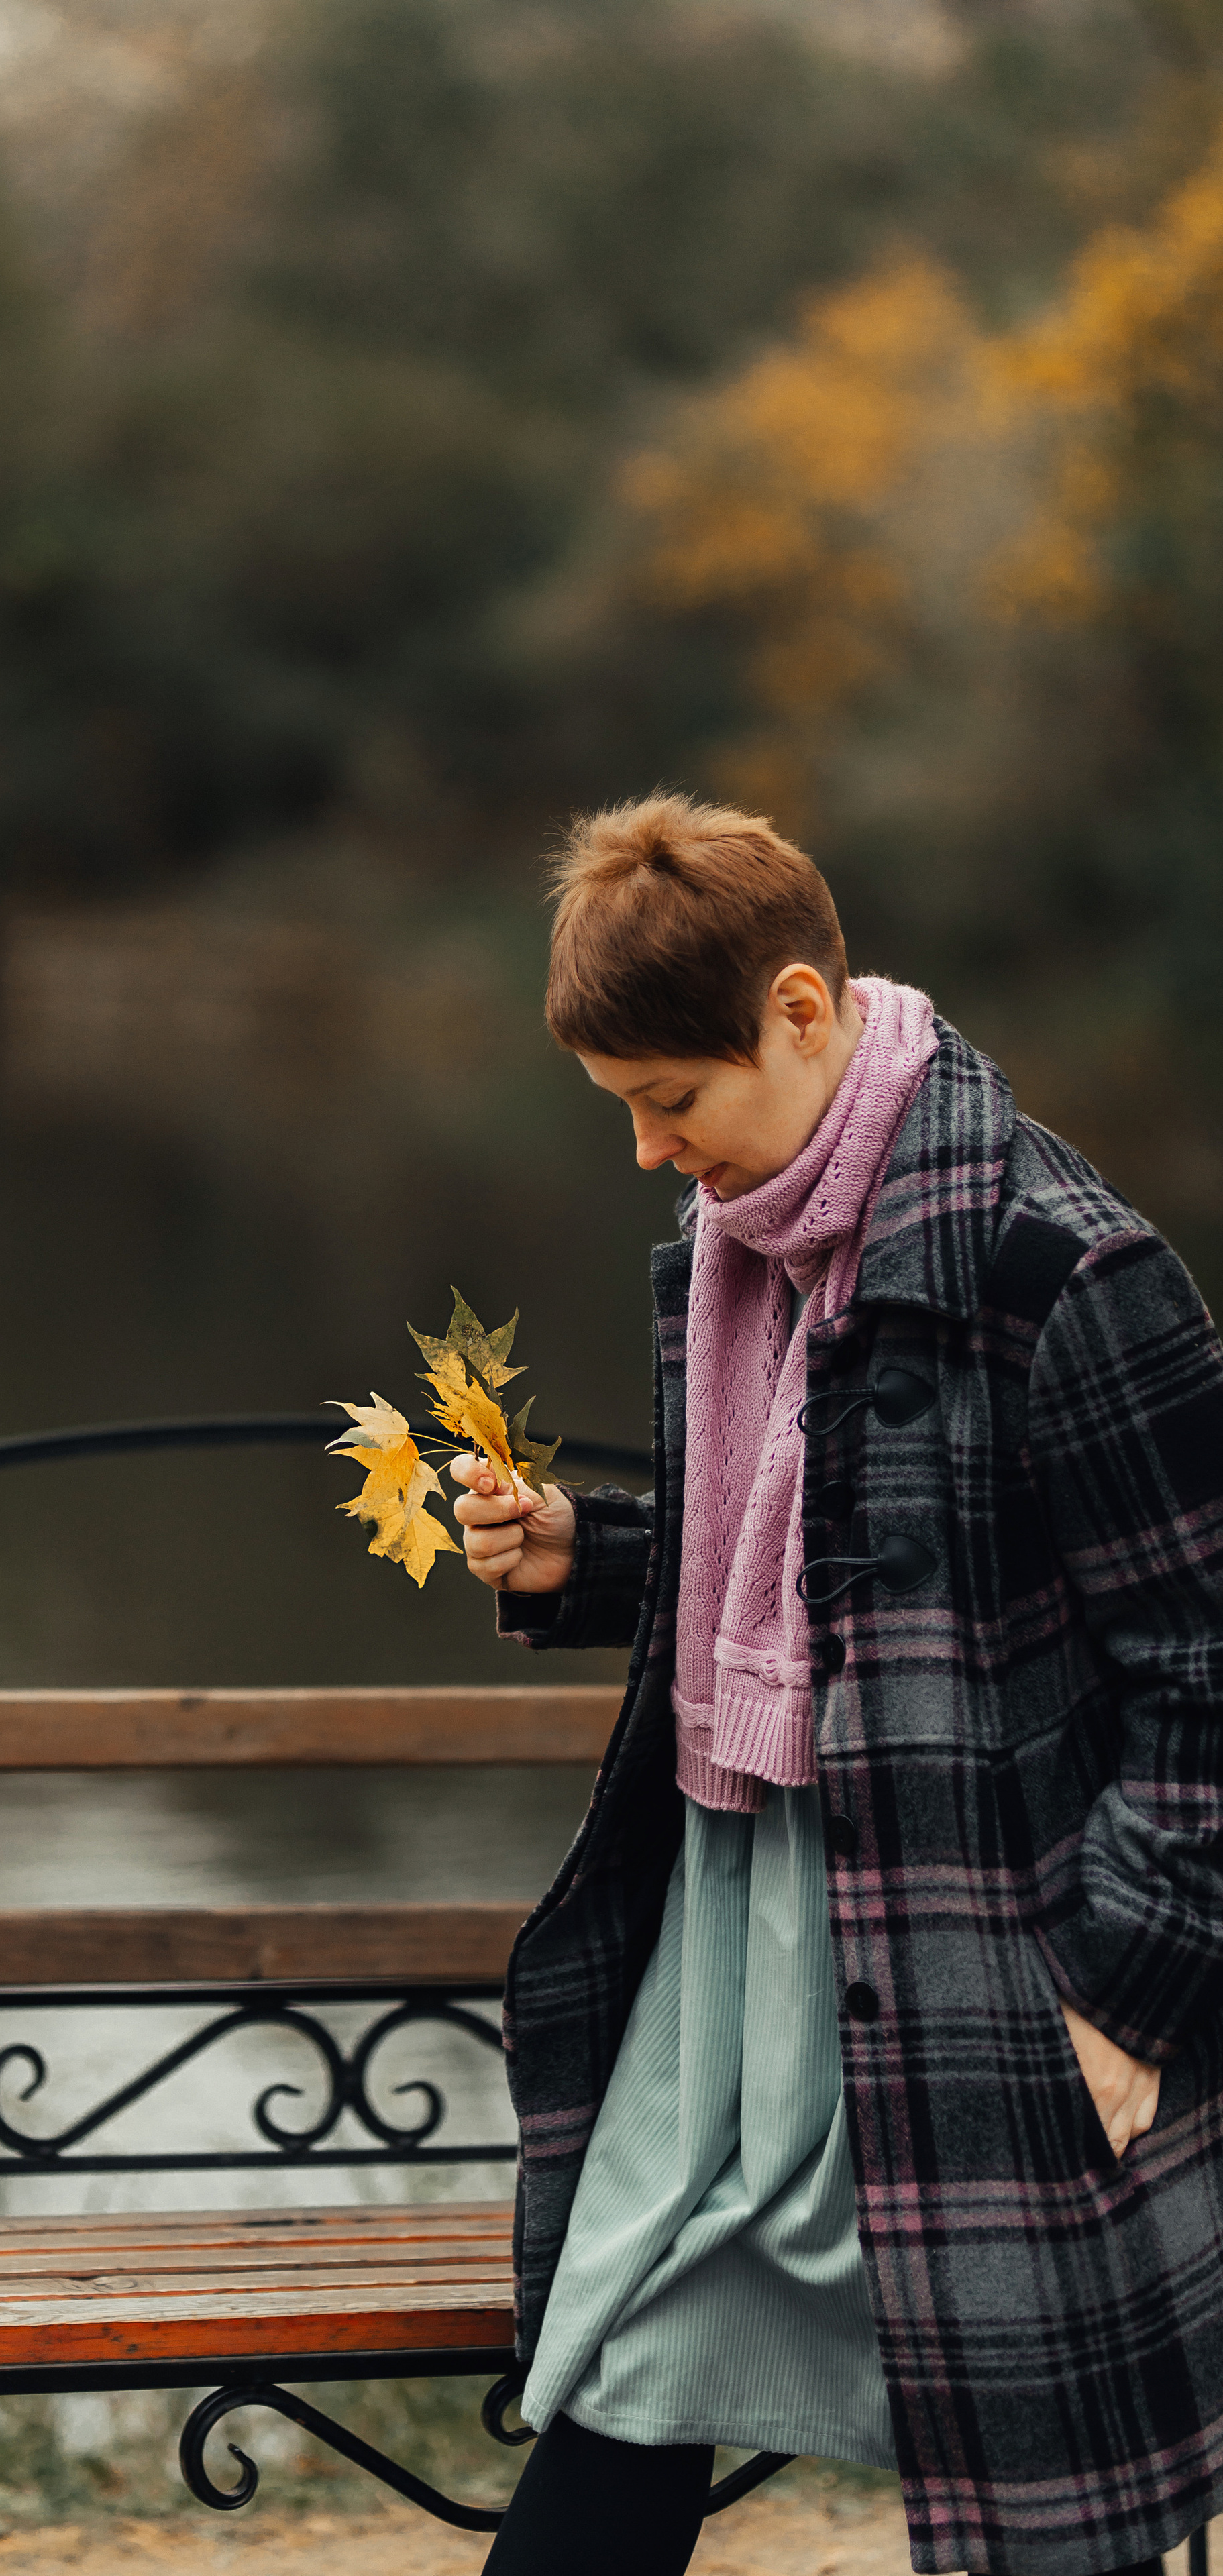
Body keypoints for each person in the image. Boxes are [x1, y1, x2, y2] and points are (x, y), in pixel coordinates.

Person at [450, 792, 1223, 2576]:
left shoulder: (1062, 1268)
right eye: (625, 1110)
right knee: (633, 2353)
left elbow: (1202, 1666)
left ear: (801, 1012)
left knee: (1044, 2493)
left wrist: (1125, 1995)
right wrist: (599, 1559)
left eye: (672, 1101)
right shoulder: (760, 1250)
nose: (650, 1151)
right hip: (748, 1942)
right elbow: (835, 1586)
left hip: (982, 1957)